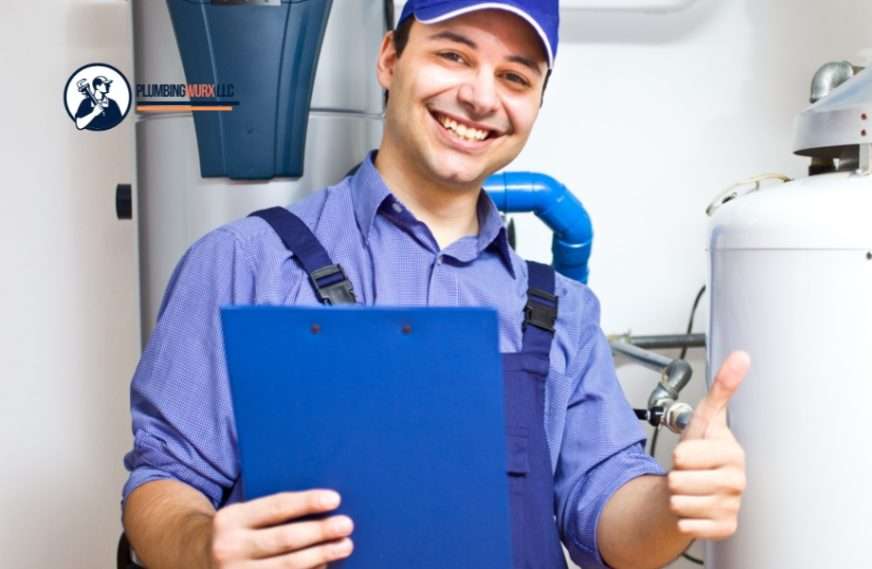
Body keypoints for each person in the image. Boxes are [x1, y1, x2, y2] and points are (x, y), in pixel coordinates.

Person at [121, 1, 750, 568]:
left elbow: (610, 517)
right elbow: (163, 484)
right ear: (390, 59)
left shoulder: (562, 311)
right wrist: (201, 549)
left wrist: (673, 506)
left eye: (515, 76)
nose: (480, 97)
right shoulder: (242, 263)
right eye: (453, 54)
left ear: (535, 103)